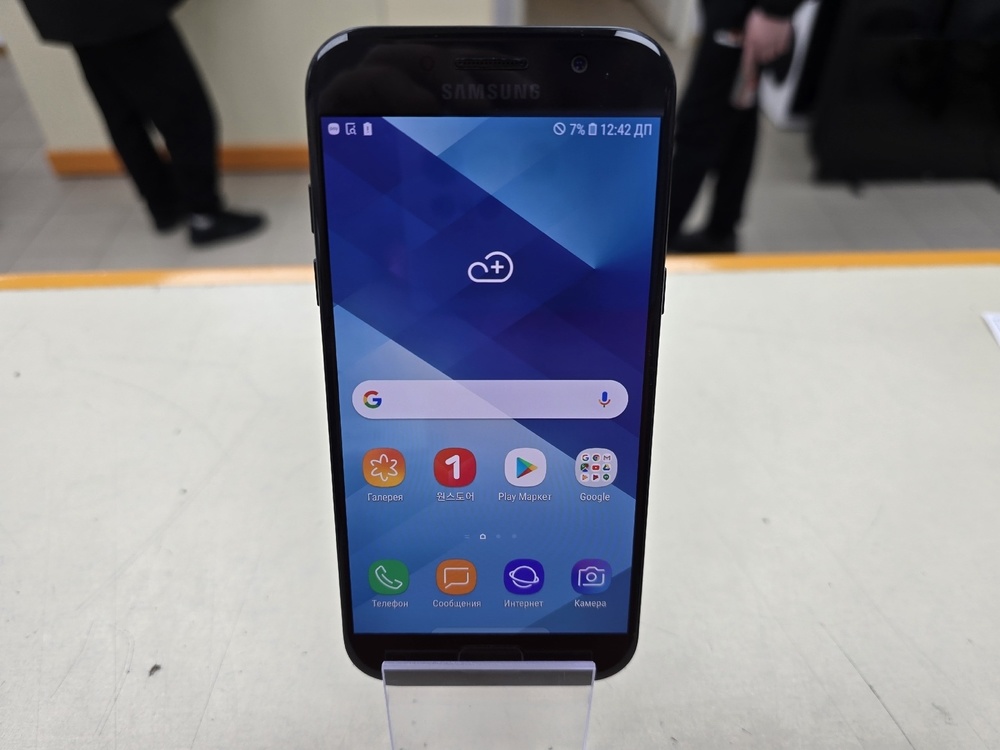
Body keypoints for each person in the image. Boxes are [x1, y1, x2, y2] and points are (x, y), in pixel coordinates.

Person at [18, 0, 265, 246]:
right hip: (119, 10)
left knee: (121, 112)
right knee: (185, 113)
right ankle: (204, 214)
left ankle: (164, 205)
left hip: (67, 13)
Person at [668, 0, 801, 253]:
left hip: (745, 13)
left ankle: (660, 237)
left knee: (699, 122)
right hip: (740, 12)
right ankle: (721, 231)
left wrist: (776, 10)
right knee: (738, 111)